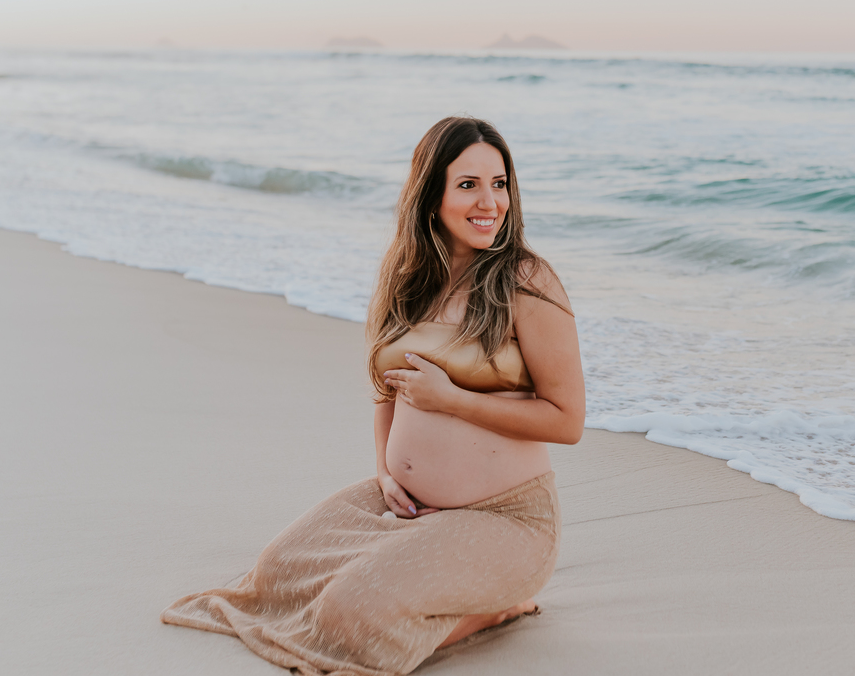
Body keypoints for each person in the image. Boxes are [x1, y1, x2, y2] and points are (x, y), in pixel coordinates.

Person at [161, 117, 585, 675]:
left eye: (499, 183)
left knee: (350, 609)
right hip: (405, 504)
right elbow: (387, 390)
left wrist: (453, 400)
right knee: (276, 573)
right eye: (468, 185)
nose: (490, 202)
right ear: (430, 194)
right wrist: (386, 473)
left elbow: (567, 420)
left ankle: (495, 609)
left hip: (506, 519)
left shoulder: (526, 280)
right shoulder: (408, 277)